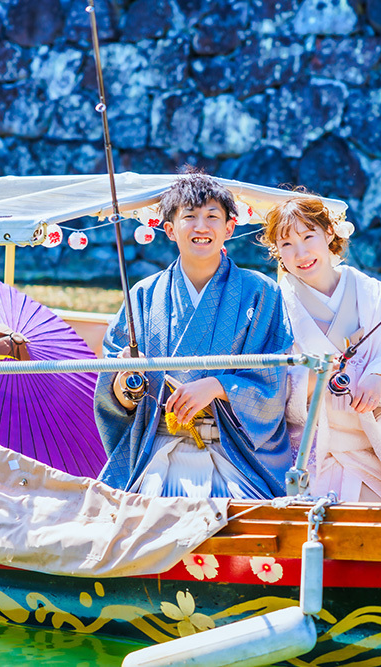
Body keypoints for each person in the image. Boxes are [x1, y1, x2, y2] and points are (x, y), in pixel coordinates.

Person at [96, 173, 294, 499]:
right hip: (157, 446)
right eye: (189, 216)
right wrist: (126, 381)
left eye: (212, 217)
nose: (201, 227)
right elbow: (114, 391)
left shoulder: (261, 292)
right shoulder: (143, 296)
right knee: (129, 519)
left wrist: (217, 387)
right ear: (170, 230)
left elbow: (271, 381)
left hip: (235, 452)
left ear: (229, 227)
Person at [261, 197, 381, 501]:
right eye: (286, 244)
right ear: (277, 252)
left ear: (330, 234)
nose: (301, 253)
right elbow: (267, 378)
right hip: (312, 448)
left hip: (374, 443)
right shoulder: (274, 305)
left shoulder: (371, 291)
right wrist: (313, 379)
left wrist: (380, 378)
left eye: (309, 236)